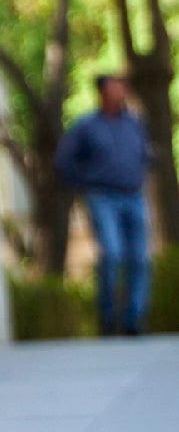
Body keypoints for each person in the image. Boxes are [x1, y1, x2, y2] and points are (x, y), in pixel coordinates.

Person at [58, 73, 157, 339]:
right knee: (112, 254)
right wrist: (82, 184)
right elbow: (65, 160)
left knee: (139, 258)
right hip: (102, 196)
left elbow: (146, 155)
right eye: (114, 87)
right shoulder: (86, 126)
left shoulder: (135, 124)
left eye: (122, 87)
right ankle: (108, 316)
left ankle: (134, 319)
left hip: (134, 196)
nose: (120, 92)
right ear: (102, 92)